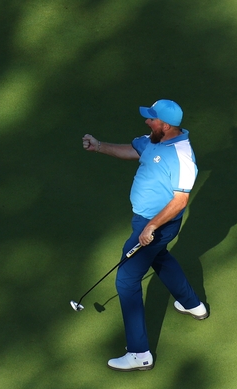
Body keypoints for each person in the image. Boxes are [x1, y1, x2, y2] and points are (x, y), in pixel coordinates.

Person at [82, 99, 208, 372]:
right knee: (159, 259)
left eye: (151, 119)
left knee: (126, 280)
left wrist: (151, 227)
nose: (146, 122)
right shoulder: (153, 140)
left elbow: (179, 201)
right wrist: (100, 146)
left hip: (157, 225)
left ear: (165, 125)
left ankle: (139, 354)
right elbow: (133, 150)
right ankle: (192, 304)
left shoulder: (182, 156)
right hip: (144, 221)